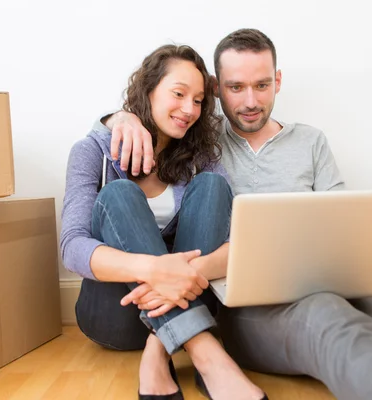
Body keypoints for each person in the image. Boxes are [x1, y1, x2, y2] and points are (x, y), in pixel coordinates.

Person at [99, 29, 372, 400]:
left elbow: (345, 221)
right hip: (246, 300)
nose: (251, 101)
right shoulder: (201, 141)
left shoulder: (311, 141)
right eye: (236, 88)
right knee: (327, 318)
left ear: (278, 80)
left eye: (262, 85)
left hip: (325, 276)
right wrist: (122, 117)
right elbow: (151, 122)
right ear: (217, 90)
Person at [60, 44, 267, 400]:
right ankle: (208, 355)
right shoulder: (92, 150)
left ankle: (158, 351)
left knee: (213, 186)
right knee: (119, 194)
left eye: (199, 100)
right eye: (179, 93)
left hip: (191, 295)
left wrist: (183, 273)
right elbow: (72, 246)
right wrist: (154, 270)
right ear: (149, 89)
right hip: (117, 315)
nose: (189, 109)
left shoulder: (201, 158)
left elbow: (241, 247)